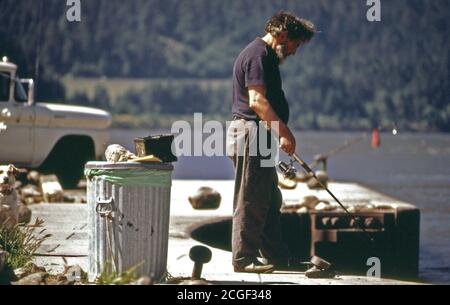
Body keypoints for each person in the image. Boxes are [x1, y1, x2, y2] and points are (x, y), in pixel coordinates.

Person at [227, 11, 316, 273]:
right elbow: (256, 102)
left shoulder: (263, 56)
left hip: (258, 135)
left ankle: (277, 257)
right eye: (294, 45)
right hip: (250, 134)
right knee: (252, 199)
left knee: (269, 199)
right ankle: (243, 259)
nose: (294, 52)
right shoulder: (259, 55)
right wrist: (284, 133)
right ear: (283, 35)